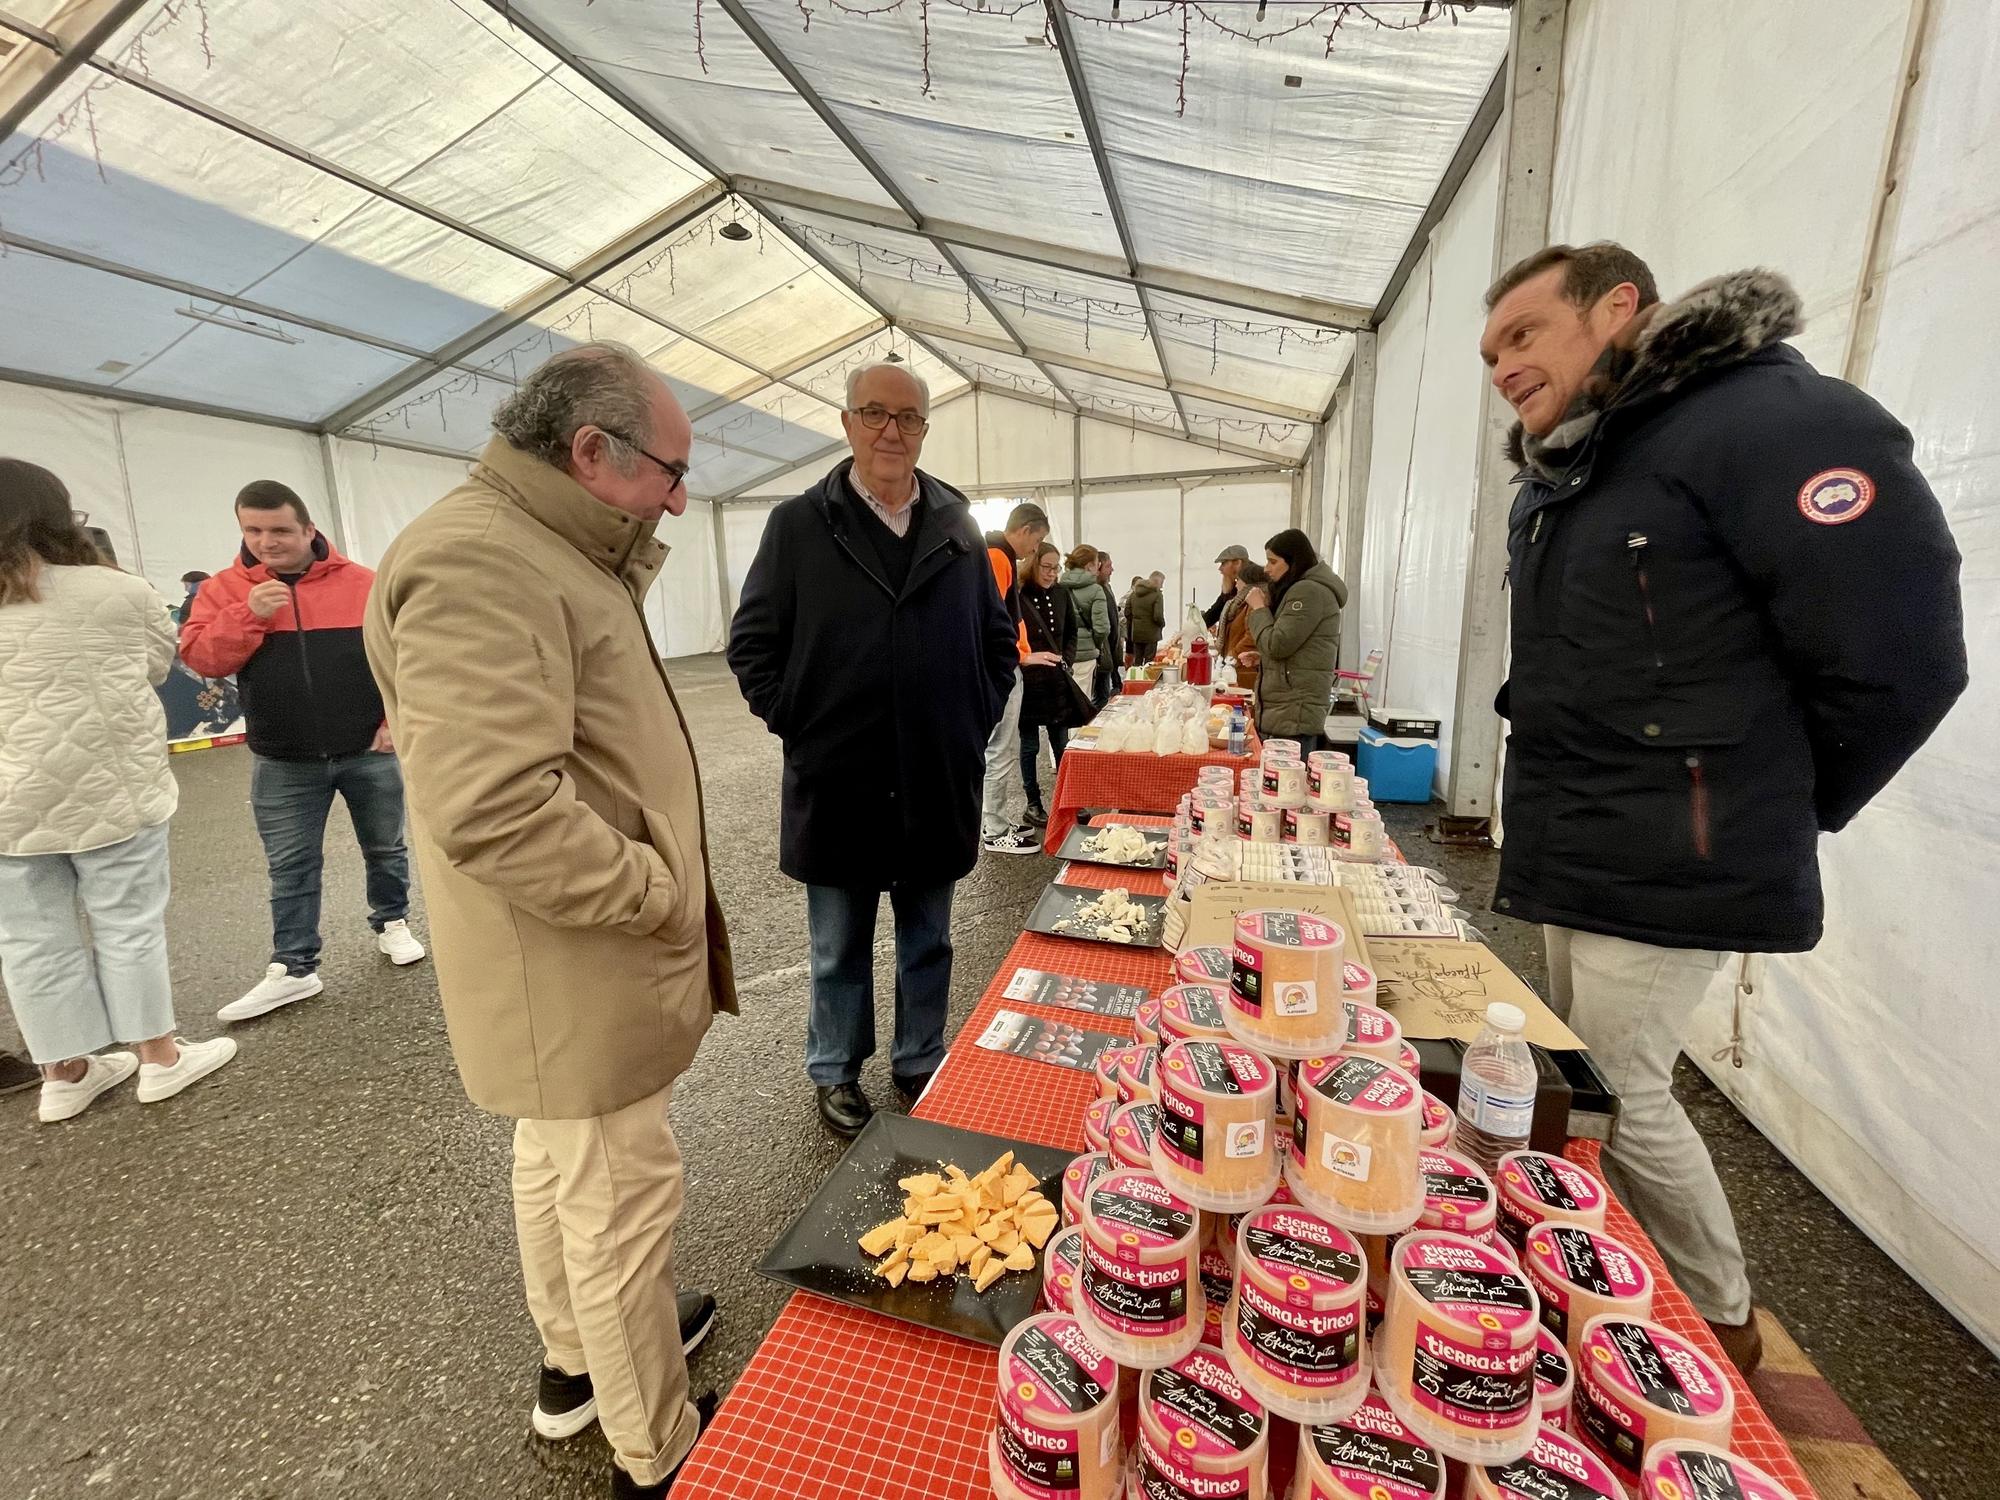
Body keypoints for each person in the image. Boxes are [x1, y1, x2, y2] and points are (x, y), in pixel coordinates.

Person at [1478, 242, 1965, 1372]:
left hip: (1673, 839)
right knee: (1585, 1077)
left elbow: (1899, 657)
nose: (1501, 367)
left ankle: (1718, 1327)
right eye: (1490, 351)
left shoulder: (1768, 422)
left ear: (1617, 307)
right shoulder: (1586, 459)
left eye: (1522, 336)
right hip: (1584, 823)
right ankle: (1600, 1278)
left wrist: (1768, 799)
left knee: (1621, 1082)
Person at [366, 342, 733, 1499]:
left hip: (569, 961)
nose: (677, 498)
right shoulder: (485, 559)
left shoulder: (539, 542)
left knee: (562, 1164)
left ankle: (580, 1364)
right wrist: (651, 888)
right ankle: (657, 1446)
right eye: (668, 472)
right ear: (590, 450)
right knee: (619, 1195)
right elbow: (491, 808)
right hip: (576, 959)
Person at [729, 361, 1017, 1140]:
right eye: (875, 413)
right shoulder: (798, 523)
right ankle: (836, 1070)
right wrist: (804, 725)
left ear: (925, 428)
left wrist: (971, 720)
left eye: (909, 418)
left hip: (934, 775)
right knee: (837, 947)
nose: (892, 430)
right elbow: (753, 645)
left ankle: (920, 1056)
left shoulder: (957, 527)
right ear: (848, 421)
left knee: (930, 938)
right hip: (841, 780)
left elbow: (996, 643)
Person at [0, 459, 236, 1122]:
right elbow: (161, 663)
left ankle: (64, 1073)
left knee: (28, 937)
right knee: (126, 924)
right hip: (110, 787)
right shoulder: (116, 591)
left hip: (7, 805)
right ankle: (159, 1058)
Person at [180, 481, 425, 1022]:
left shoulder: (365, 584)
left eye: (280, 530)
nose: (267, 541)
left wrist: (391, 720)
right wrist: (248, 614)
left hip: (368, 750)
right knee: (291, 865)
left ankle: (392, 920)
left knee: (385, 847)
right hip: (282, 758)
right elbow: (203, 659)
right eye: (253, 530)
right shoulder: (223, 590)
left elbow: (405, 657)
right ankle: (294, 968)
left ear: (309, 529)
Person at [980, 503, 1056, 857]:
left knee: (1002, 749)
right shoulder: (997, 556)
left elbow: (1008, 615)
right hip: (1002, 669)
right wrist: (1019, 656)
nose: (1035, 549)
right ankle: (994, 829)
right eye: (1037, 539)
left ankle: (994, 822)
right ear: (1024, 529)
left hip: (1007, 665)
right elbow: (994, 617)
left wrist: (1023, 653)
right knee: (1001, 750)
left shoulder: (999, 554)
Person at [1243, 529, 1344, 756]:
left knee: (1285, 783)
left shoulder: (1307, 592)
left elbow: (1277, 645)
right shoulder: (1303, 589)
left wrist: (1259, 609)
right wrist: (1262, 658)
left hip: (1293, 711)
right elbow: (1299, 647)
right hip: (1287, 707)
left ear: (1293, 561)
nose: (1266, 568)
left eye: (1272, 561)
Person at [1018, 541, 1085, 827]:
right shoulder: (1018, 594)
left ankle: (1065, 800)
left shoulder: (1061, 593)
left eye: (1056, 567)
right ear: (1034, 564)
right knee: (1030, 746)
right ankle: (1033, 803)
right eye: (1046, 567)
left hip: (1056, 680)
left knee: (1061, 743)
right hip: (1028, 681)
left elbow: (1071, 631)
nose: (1051, 573)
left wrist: (1065, 658)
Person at [1059, 545, 1111, 696]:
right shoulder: (1096, 590)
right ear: (1089, 566)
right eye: (1097, 564)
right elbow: (1102, 628)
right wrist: (1095, 644)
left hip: (1062, 654)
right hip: (1085, 656)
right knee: (1082, 702)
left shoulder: (1059, 587)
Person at [1220, 562, 1267, 693]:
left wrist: (1232, 656)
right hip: (1239, 668)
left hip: (1245, 669)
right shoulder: (1242, 604)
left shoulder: (1253, 604)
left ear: (1248, 582)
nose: (1236, 584)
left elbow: (1251, 637)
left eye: (1238, 580)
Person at [1092, 550, 1123, 706]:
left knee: (1102, 695)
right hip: (1101, 652)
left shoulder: (1106, 588)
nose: (1112, 570)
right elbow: (1102, 626)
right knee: (1100, 698)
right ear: (1098, 567)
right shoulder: (1096, 590)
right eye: (1108, 566)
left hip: (1108, 651)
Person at [1126, 569, 1166, 665]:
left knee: (1137, 661)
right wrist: (1162, 624)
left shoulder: (1134, 593)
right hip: (1151, 635)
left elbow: (1127, 612)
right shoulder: (1157, 595)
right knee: (1149, 663)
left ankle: (1136, 679)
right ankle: (1146, 680)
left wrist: (1135, 622)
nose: (1162, 586)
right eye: (1162, 583)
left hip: (1136, 633)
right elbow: (1157, 616)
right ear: (1157, 581)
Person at [1203, 545, 1249, 627]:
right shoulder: (1233, 586)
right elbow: (1215, 612)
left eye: (1223, 563)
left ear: (1237, 563)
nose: (1220, 569)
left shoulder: (1254, 588)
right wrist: (1195, 628)